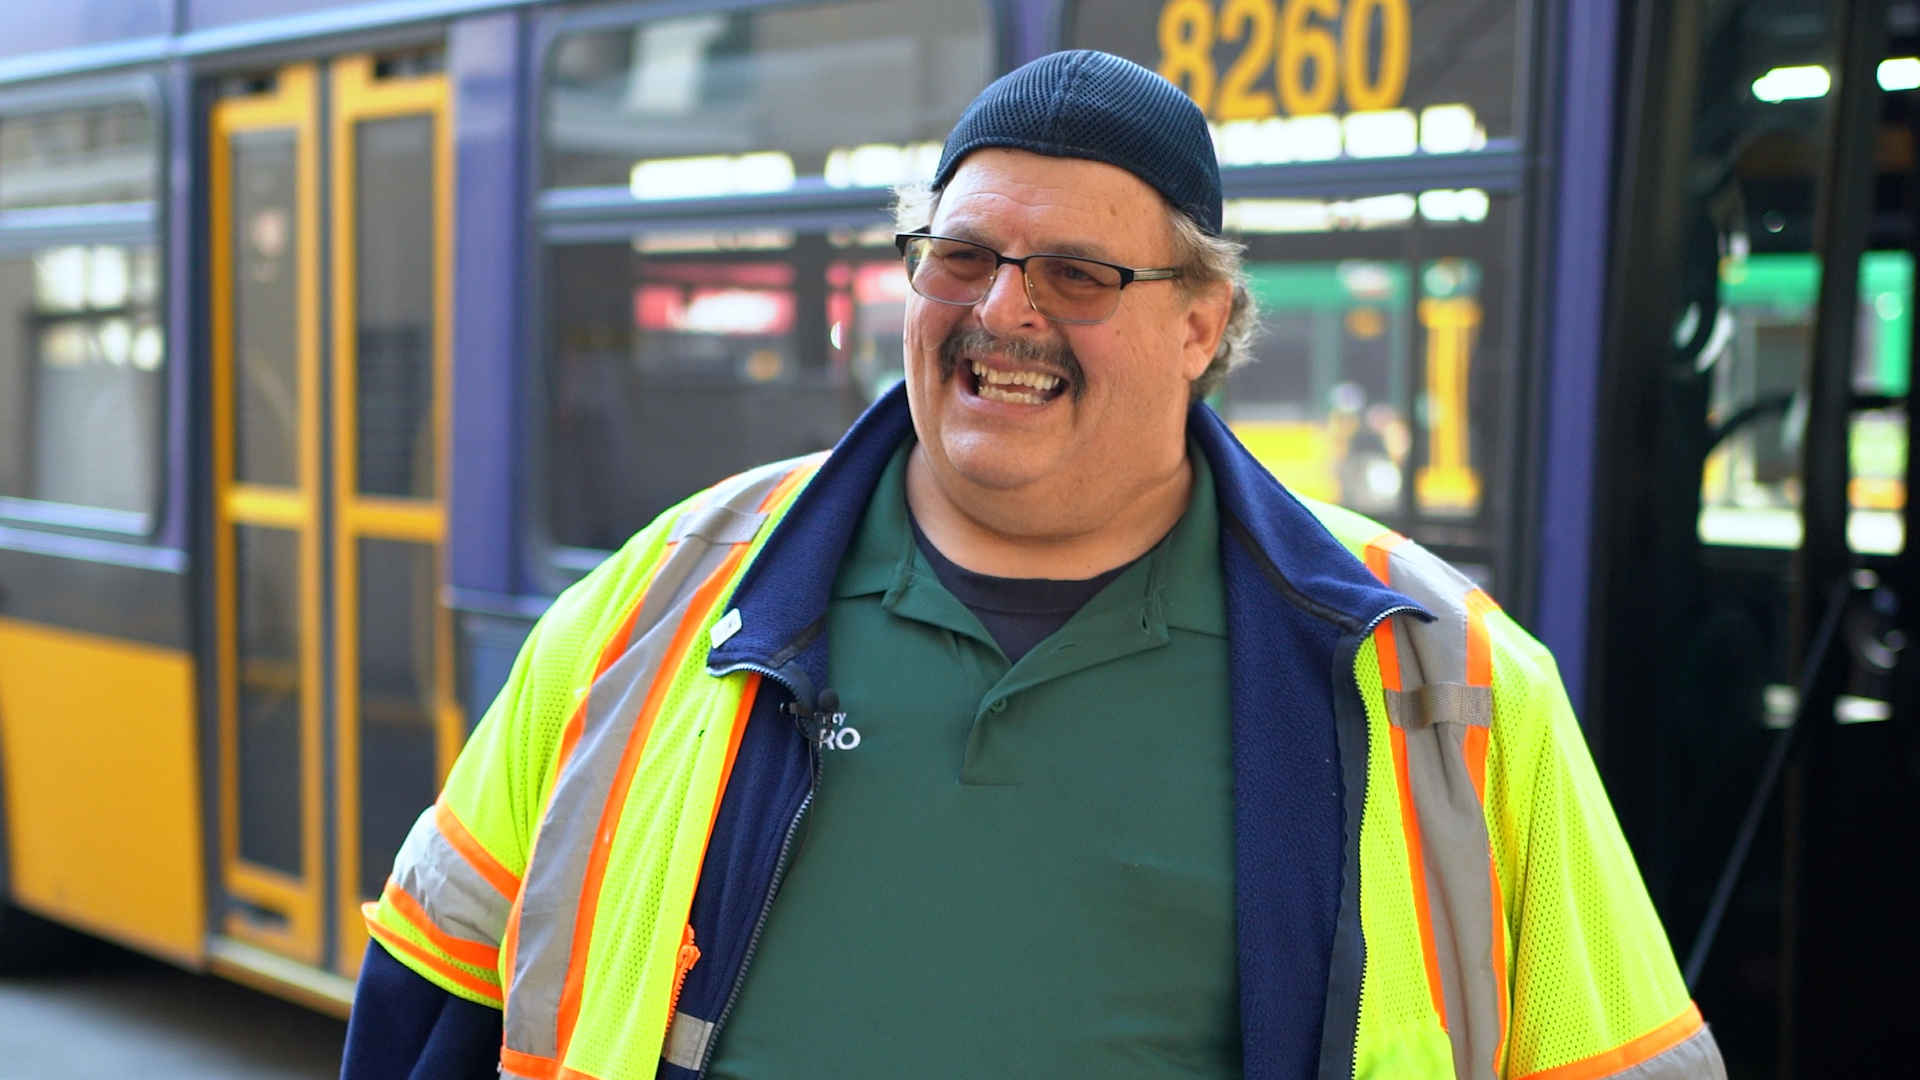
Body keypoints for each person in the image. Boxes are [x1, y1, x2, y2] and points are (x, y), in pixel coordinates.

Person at [343, 50, 1724, 1080]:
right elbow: (433, 999)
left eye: (1078, 273)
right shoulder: (651, 612)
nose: (1004, 310)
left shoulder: (1444, 680)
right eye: (962, 255)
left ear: (1202, 325)